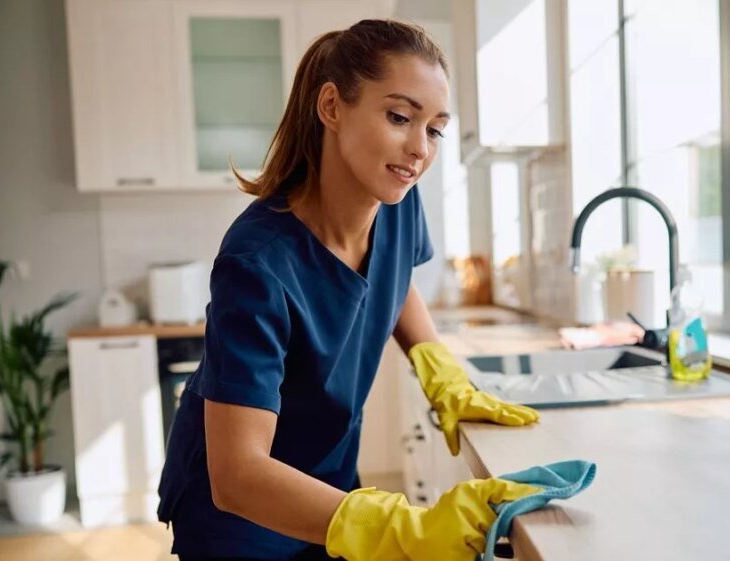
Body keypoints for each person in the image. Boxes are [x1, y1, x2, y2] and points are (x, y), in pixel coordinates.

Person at [157, 19, 541, 561]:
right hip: (240, 520)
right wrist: (399, 528)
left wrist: (440, 371)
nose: (419, 150)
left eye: (434, 129)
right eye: (400, 117)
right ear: (332, 106)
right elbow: (237, 475)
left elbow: (394, 275)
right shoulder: (257, 262)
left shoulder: (397, 200)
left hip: (330, 481)